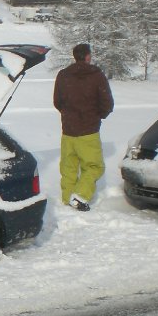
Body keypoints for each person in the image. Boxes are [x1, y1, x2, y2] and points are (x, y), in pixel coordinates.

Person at [52, 43, 114, 211]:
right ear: (88, 56)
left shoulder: (63, 75)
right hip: (88, 131)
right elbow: (107, 103)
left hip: (68, 131)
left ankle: (67, 199)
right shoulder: (96, 75)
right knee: (94, 166)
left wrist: (68, 114)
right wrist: (96, 116)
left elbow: (57, 102)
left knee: (68, 167)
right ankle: (80, 195)